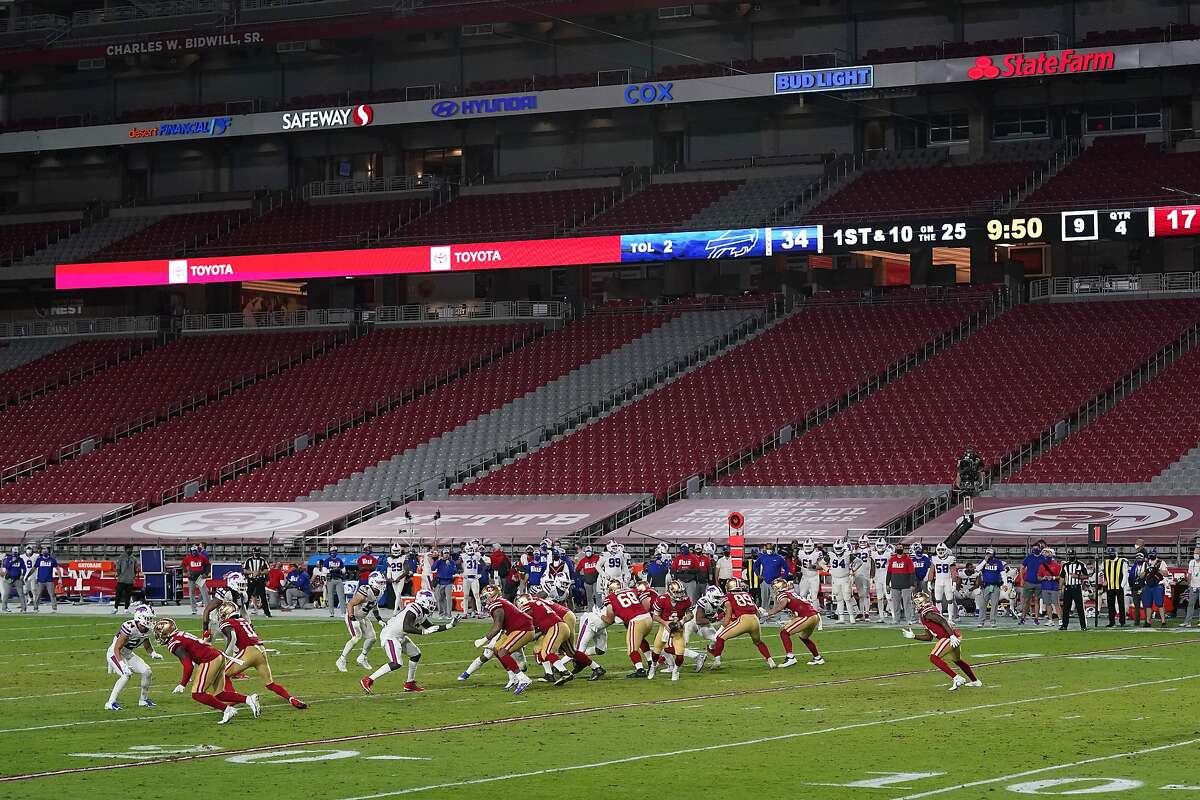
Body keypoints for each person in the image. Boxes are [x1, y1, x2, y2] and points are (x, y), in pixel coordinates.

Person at [154, 618, 258, 725]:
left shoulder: (174, 642)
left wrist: (182, 684)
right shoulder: (179, 635)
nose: (158, 636)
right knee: (219, 694)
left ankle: (228, 710)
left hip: (209, 659)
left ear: (166, 632)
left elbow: (189, 665)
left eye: (159, 633)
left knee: (197, 694)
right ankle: (249, 699)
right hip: (217, 655)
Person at [362, 589, 457, 694]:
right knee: (396, 663)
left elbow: (432, 627)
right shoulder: (414, 608)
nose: (432, 606)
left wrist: (450, 625)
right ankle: (369, 679)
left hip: (399, 636)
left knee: (416, 654)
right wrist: (423, 632)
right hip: (390, 636)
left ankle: (409, 683)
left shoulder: (421, 613)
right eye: (431, 603)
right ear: (423, 601)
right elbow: (406, 627)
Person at [217, 602, 307, 709]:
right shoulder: (244, 620)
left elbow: (233, 637)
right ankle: (292, 699)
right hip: (261, 650)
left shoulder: (227, 622)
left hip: (249, 651)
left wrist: (225, 655)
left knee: (222, 674)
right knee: (270, 684)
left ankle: (235, 698)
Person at [902, 592, 981, 691]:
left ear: (922, 601)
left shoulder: (927, 612)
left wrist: (951, 636)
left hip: (949, 637)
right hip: (953, 636)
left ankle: (957, 678)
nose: (915, 604)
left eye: (917, 602)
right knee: (957, 660)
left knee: (933, 658)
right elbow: (929, 637)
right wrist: (914, 636)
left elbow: (942, 621)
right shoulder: (924, 614)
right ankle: (975, 681)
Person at [473, 584, 536, 694]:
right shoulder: (500, 602)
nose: (484, 599)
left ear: (492, 595)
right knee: (496, 649)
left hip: (523, 628)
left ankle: (523, 678)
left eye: (486, 596)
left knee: (503, 652)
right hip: (516, 629)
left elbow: (497, 626)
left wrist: (483, 639)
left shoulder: (496, 604)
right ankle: (513, 677)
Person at [104, 604, 164, 710]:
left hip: (127, 654)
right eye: (148, 618)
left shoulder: (146, 629)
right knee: (126, 675)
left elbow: (146, 641)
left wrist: (153, 653)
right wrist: (122, 664)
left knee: (147, 671)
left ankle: (143, 700)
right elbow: (116, 648)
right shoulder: (129, 627)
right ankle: (110, 702)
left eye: (151, 618)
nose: (150, 621)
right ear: (140, 617)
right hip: (115, 653)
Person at [708, 579, 775, 669]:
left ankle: (717, 662)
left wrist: (721, 627)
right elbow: (757, 613)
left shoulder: (729, 596)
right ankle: (771, 661)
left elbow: (728, 614)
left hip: (743, 620)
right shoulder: (747, 594)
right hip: (755, 620)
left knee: (720, 637)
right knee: (758, 642)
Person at [336, 572, 387, 672]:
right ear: (372, 582)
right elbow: (350, 604)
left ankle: (362, 657)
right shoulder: (365, 591)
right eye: (380, 582)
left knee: (372, 638)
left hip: (363, 617)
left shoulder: (379, 592)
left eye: (382, 582)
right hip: (352, 616)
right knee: (356, 637)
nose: (382, 584)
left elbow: (374, 606)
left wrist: (379, 619)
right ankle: (341, 659)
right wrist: (352, 618)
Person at [765, 577, 823, 667]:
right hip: (813, 615)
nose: (773, 589)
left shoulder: (782, 595)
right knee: (803, 637)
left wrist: (767, 613)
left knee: (784, 633)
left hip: (807, 616)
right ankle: (818, 658)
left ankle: (790, 657)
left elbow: (781, 605)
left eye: (774, 587)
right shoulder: (791, 593)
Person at [647, 579, 692, 681]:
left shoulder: (685, 600)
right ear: (670, 591)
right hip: (665, 628)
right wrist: (665, 623)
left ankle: (676, 671)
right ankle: (653, 667)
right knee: (656, 652)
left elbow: (690, 614)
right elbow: (654, 616)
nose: (680, 594)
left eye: (681, 592)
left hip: (678, 629)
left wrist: (682, 621)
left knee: (680, 655)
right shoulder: (662, 599)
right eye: (677, 592)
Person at [754, 542, 790, 611]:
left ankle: (776, 615)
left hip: (775, 583)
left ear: (773, 549)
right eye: (767, 548)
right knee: (764, 600)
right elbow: (755, 565)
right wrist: (758, 575)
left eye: (770, 548)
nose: (769, 550)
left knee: (776, 600)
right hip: (765, 581)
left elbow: (787, 568)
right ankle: (764, 614)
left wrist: (782, 578)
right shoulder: (763, 557)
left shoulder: (779, 558)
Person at [886, 542, 916, 625]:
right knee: (896, 603)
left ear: (903, 549)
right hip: (895, 585)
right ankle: (896, 619)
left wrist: (912, 584)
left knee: (907, 603)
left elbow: (912, 573)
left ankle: (909, 619)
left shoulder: (907, 559)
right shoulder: (892, 559)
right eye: (898, 547)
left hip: (906, 585)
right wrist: (887, 584)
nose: (899, 548)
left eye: (900, 547)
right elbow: (889, 572)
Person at [825, 540, 854, 623]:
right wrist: (828, 570)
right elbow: (822, 563)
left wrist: (853, 569)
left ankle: (852, 617)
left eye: (839, 547)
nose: (838, 549)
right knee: (839, 599)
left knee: (847, 598)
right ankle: (841, 618)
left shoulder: (847, 554)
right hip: (836, 579)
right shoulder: (831, 555)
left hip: (845, 578)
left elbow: (859, 562)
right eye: (837, 548)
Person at [1060, 550, 1089, 630]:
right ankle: (1064, 625)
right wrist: (1060, 587)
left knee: (1080, 607)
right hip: (1068, 587)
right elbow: (1062, 577)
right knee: (1066, 608)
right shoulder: (1065, 565)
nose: (1071, 556)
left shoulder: (1081, 564)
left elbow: (1086, 576)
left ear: (1075, 555)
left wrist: (1077, 576)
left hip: (1077, 587)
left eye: (1072, 555)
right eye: (1069, 555)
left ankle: (1083, 626)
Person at [977, 548, 1006, 627]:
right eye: (987, 553)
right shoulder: (983, 562)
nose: (988, 555)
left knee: (994, 604)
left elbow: (1003, 573)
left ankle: (993, 621)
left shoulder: (998, 562)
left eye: (990, 553)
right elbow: (977, 569)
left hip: (995, 585)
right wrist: (984, 561)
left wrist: (1005, 584)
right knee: (983, 604)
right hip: (985, 586)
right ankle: (981, 621)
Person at [931, 543, 958, 623]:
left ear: (946, 550)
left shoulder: (951, 558)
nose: (941, 551)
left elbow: (953, 572)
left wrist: (954, 583)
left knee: (950, 600)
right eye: (939, 550)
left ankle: (950, 618)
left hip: (948, 580)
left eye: (942, 549)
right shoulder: (934, 559)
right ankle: (940, 617)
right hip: (938, 580)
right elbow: (932, 571)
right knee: (938, 600)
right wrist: (929, 581)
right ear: (936, 550)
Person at [1142, 550, 1170, 627]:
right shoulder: (1146, 563)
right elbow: (1141, 575)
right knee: (1148, 604)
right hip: (1148, 585)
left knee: (1160, 604)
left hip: (1158, 585)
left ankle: (1163, 622)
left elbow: (1166, 573)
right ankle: (1148, 621)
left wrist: (1157, 570)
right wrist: (1146, 570)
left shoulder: (1161, 563)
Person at [1018, 545, 1045, 625]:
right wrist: (1022, 579)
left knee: (1037, 600)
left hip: (1039, 582)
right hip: (1029, 581)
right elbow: (1022, 568)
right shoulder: (1029, 557)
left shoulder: (1043, 558)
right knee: (1026, 601)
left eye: (1037, 549)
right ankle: (1023, 618)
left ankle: (1036, 618)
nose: (1035, 550)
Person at [1102, 548, 1128, 627]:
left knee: (1121, 604)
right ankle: (1111, 621)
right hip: (1110, 586)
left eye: (1111, 553)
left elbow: (1125, 574)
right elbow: (1103, 572)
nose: (1110, 555)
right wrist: (1105, 580)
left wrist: (1121, 585)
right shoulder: (1105, 562)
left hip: (1118, 586)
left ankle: (1122, 621)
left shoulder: (1121, 562)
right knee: (1110, 605)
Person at [181, 545, 210, 615]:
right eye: (193, 551)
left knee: (204, 592)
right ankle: (194, 609)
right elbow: (183, 564)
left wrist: (205, 574)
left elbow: (208, 565)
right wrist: (186, 572)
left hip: (200, 577)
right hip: (191, 577)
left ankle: (208, 608)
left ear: (197, 551)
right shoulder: (188, 558)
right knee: (191, 593)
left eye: (195, 551)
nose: (194, 552)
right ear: (191, 552)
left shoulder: (202, 557)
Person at [459, 540, 485, 617]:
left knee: (476, 595)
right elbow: (457, 564)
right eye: (469, 549)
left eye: (471, 549)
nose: (470, 551)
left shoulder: (477, 555)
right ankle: (465, 613)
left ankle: (479, 613)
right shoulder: (463, 556)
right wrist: (461, 572)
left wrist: (480, 573)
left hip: (474, 577)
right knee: (466, 595)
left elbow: (483, 564)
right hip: (466, 577)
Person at [243, 548, 271, 618]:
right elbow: (244, 570)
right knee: (247, 596)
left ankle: (267, 612)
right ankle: (243, 612)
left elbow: (267, 570)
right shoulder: (249, 560)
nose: (256, 554)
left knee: (263, 596)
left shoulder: (263, 560)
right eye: (255, 552)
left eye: (257, 552)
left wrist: (260, 572)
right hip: (251, 580)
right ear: (253, 552)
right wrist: (252, 572)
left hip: (260, 580)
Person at [28, 546, 57, 613]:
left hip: (49, 580)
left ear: (48, 551)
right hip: (40, 580)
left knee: (52, 594)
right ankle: (35, 608)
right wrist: (28, 575)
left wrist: (60, 578)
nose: (44, 551)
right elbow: (34, 568)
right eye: (43, 550)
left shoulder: (52, 560)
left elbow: (57, 568)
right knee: (38, 595)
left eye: (45, 550)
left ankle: (54, 608)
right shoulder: (39, 560)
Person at [870, 538, 893, 622]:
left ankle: (894, 615)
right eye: (878, 545)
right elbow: (872, 566)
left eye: (881, 545)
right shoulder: (873, 554)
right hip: (877, 577)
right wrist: (871, 578)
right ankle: (881, 616)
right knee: (879, 598)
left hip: (886, 578)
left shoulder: (888, 554)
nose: (879, 547)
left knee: (889, 597)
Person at [796, 539, 825, 604]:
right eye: (806, 546)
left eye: (809, 545)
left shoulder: (818, 553)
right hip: (804, 577)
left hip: (814, 577)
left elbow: (822, 566)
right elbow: (798, 564)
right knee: (802, 595)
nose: (807, 547)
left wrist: (813, 567)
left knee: (814, 597)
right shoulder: (800, 552)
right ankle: (803, 612)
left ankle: (815, 612)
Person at [851, 537, 873, 621]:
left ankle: (867, 613)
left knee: (866, 594)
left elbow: (873, 562)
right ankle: (861, 612)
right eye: (861, 541)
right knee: (861, 595)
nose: (863, 543)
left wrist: (872, 574)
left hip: (866, 574)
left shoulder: (870, 550)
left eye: (864, 541)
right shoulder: (855, 550)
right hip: (857, 574)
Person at [1038, 547, 1062, 624]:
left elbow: (1061, 576)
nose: (1046, 555)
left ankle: (1060, 620)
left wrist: (1053, 577)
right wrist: (1043, 578)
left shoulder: (1057, 565)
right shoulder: (1041, 565)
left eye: (1048, 553)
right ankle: (1050, 620)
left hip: (1054, 587)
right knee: (1047, 604)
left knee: (1056, 604)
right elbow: (1038, 577)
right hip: (1045, 586)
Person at [431, 548, 458, 617]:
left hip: (448, 582)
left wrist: (449, 565)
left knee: (448, 599)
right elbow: (433, 568)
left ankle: (448, 614)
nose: (446, 555)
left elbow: (454, 571)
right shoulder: (439, 561)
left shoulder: (451, 562)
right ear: (442, 554)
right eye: (445, 553)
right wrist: (438, 560)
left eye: (447, 553)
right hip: (440, 582)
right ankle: (441, 613)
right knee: (439, 599)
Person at [112, 545, 138, 615]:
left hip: (130, 580)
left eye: (131, 549)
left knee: (128, 595)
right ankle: (115, 608)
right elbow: (118, 568)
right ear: (125, 549)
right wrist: (119, 575)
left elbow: (135, 569)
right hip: (121, 580)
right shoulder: (121, 558)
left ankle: (126, 609)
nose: (130, 550)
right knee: (118, 594)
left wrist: (133, 577)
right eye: (129, 549)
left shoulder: (134, 559)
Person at [1, 547, 26, 612]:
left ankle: (23, 608)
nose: (14, 553)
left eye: (16, 552)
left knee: (21, 594)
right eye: (13, 552)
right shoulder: (8, 559)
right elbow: (6, 567)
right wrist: (12, 561)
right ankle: (4, 608)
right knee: (6, 594)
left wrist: (23, 575)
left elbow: (24, 568)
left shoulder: (21, 559)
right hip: (9, 578)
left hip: (17, 579)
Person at [325, 546, 346, 617]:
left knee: (341, 596)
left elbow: (344, 570)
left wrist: (338, 570)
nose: (334, 552)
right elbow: (324, 570)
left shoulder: (339, 560)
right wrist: (332, 570)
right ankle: (331, 612)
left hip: (338, 578)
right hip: (330, 579)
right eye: (332, 551)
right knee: (330, 596)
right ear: (330, 552)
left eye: (335, 551)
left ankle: (343, 612)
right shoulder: (327, 560)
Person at [1128, 553, 1147, 625]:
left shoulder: (1146, 566)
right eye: (1137, 558)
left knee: (1146, 605)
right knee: (1136, 606)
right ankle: (1137, 621)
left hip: (1144, 587)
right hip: (1135, 588)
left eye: (1140, 557)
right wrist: (1131, 586)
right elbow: (1130, 577)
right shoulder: (1133, 567)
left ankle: (1147, 621)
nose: (1139, 559)